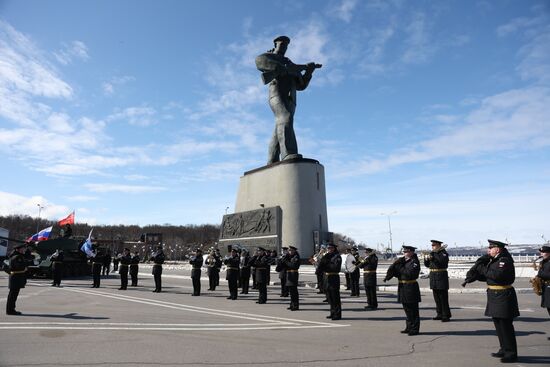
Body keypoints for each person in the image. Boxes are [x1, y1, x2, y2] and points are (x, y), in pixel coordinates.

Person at [255, 36, 320, 164]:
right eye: (282, 44)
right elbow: (259, 61)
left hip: (291, 99)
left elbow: (301, 86)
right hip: (277, 94)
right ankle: (288, 153)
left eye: (286, 46)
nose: (284, 47)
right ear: (275, 44)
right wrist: (281, 68)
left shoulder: (290, 63)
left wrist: (308, 72)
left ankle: (272, 160)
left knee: (280, 125)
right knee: (285, 117)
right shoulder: (271, 57)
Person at [481, 240, 519, 363]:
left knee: (505, 325)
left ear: (497, 249)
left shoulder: (504, 260)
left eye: (491, 248)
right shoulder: (495, 260)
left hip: (503, 295)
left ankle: (511, 353)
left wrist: (482, 269)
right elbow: (489, 276)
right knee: (498, 324)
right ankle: (504, 348)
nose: (488, 250)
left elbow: (497, 275)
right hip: (495, 295)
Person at [384, 245, 421, 336]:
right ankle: (409, 327)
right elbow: (400, 273)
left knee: (413, 309)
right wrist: (393, 272)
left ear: (412, 252)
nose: (404, 253)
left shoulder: (414, 262)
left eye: (406, 252)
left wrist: (400, 267)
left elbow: (409, 274)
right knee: (406, 308)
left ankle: (415, 329)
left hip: (410, 286)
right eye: (404, 252)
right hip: (403, 286)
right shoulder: (404, 261)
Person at [424, 240, 451, 322]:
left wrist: (433, 257)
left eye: (434, 245)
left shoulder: (443, 253)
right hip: (433, 276)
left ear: (439, 245)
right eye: (432, 245)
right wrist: (426, 259)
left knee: (443, 297)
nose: (432, 246)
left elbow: (441, 262)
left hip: (441, 275)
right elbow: (428, 265)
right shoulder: (433, 253)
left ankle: (446, 315)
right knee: (436, 297)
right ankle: (439, 313)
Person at [317, 243, 342, 320]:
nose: (329, 249)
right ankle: (332, 312)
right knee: (330, 297)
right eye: (328, 248)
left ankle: (337, 314)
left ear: (334, 248)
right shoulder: (327, 256)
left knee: (335, 297)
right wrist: (320, 267)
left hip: (334, 277)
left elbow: (336, 268)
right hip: (327, 277)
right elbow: (322, 265)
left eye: (330, 248)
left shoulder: (337, 257)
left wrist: (325, 265)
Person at [6, 243, 30, 315]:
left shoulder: (16, 256)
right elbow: (19, 267)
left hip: (16, 277)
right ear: (18, 249)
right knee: (13, 295)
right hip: (16, 277)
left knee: (13, 295)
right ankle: (10, 310)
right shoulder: (17, 257)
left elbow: (27, 257)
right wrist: (25, 267)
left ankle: (11, 309)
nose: (24, 250)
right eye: (23, 248)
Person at [281, 245, 300, 311]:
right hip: (288, 275)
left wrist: (285, 261)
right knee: (291, 291)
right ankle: (292, 304)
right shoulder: (288, 257)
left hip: (293, 274)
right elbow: (280, 268)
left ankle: (295, 305)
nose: (290, 251)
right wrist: (281, 261)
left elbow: (293, 266)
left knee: (294, 291)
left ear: (294, 251)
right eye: (289, 250)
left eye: (291, 250)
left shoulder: (296, 257)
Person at [537, 245, 550, 320]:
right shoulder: (543, 262)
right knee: (548, 306)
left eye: (543, 252)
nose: (541, 254)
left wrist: (540, 275)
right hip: (545, 287)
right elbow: (540, 273)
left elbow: (542, 274)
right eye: (541, 252)